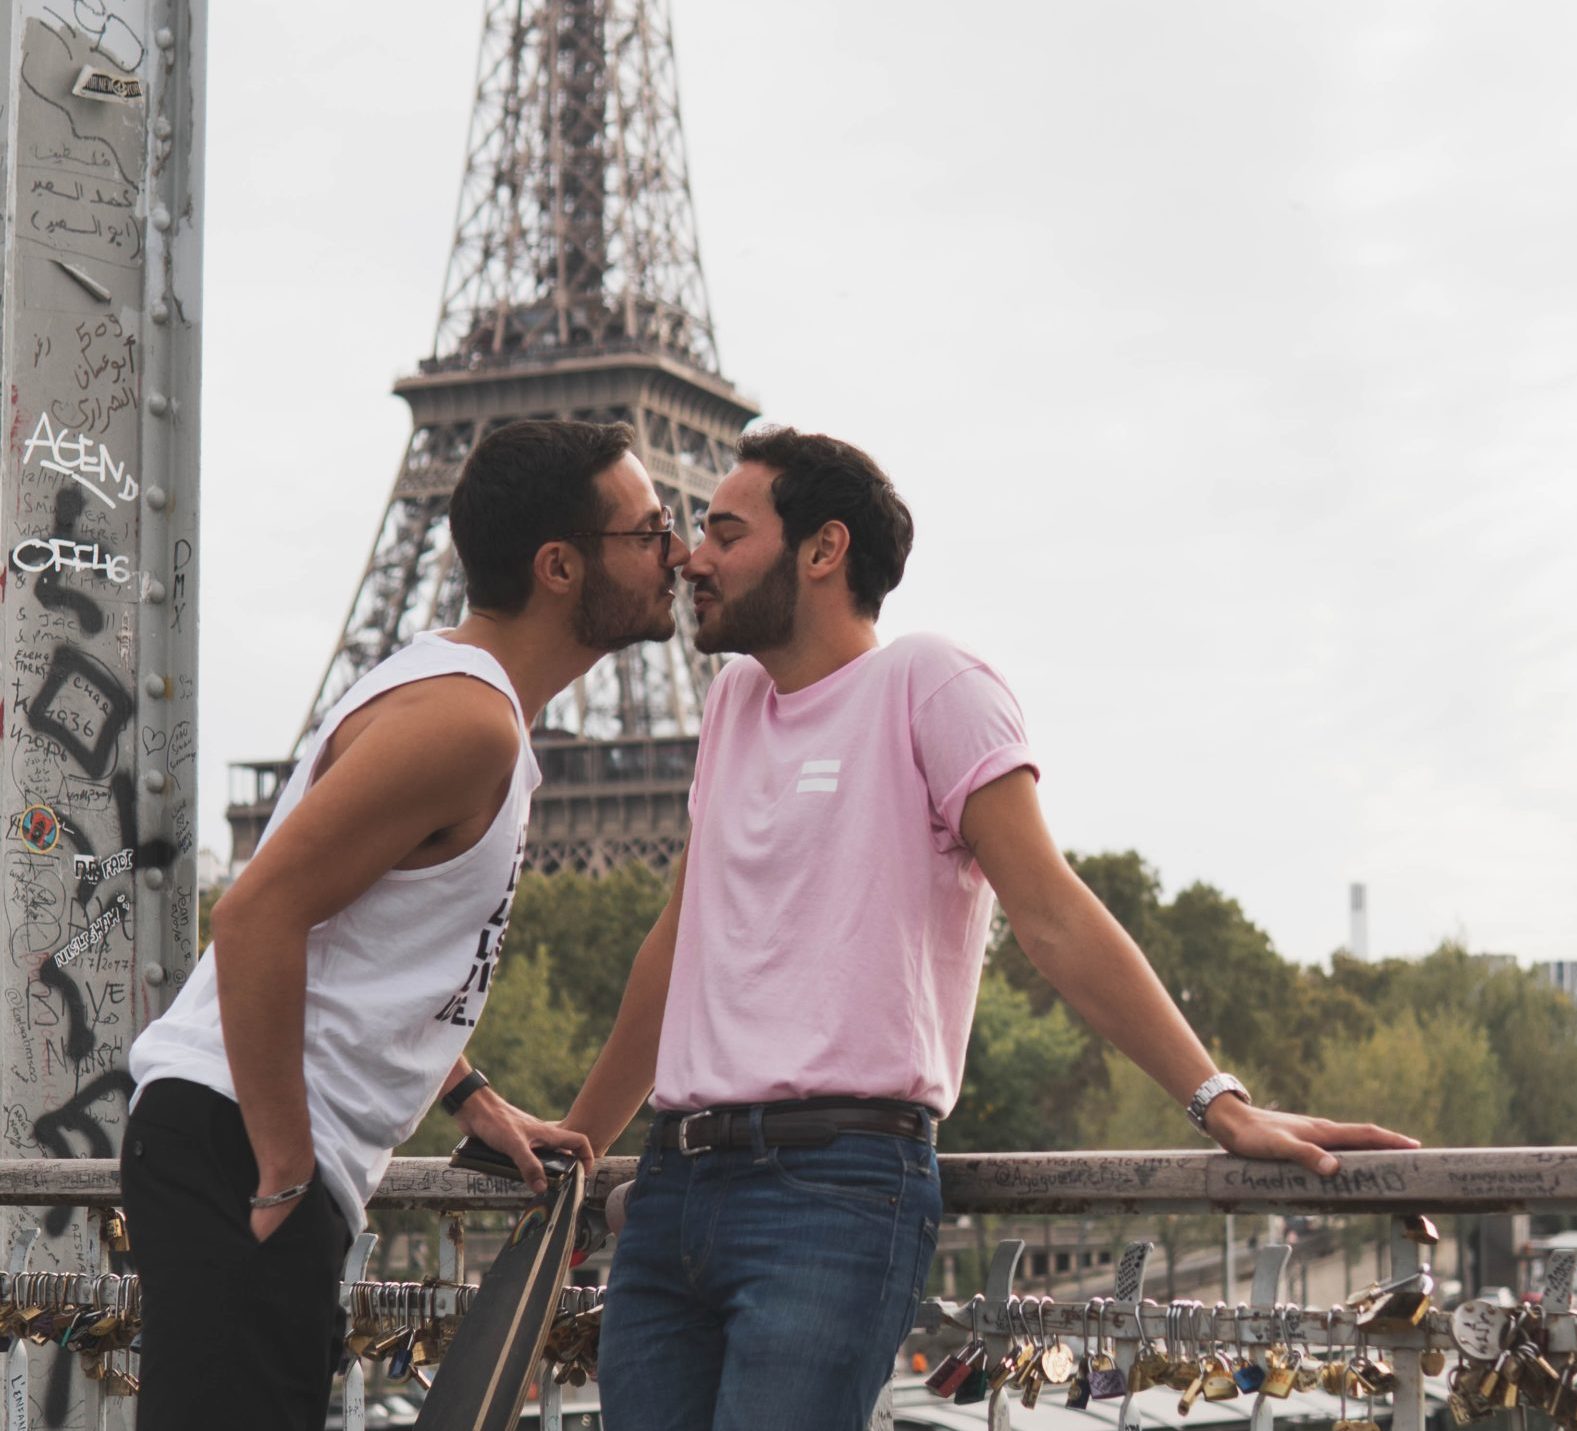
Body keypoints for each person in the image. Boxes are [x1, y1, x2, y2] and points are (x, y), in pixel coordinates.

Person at [564, 426, 1419, 1431]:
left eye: (724, 532)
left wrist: (1217, 1101)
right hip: (673, 1181)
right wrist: (580, 1145)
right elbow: (680, 942)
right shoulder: (733, 704)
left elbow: (1049, 910)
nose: (692, 557)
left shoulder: (930, 682)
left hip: (829, 1187)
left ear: (824, 549)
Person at [122, 420, 686, 1431]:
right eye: (650, 532)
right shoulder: (466, 723)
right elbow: (255, 914)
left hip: (232, 1136)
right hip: (242, 1142)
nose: (677, 552)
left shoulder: (459, 698)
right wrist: (285, 1172)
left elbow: (365, 937)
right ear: (560, 566)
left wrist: (463, 1089)